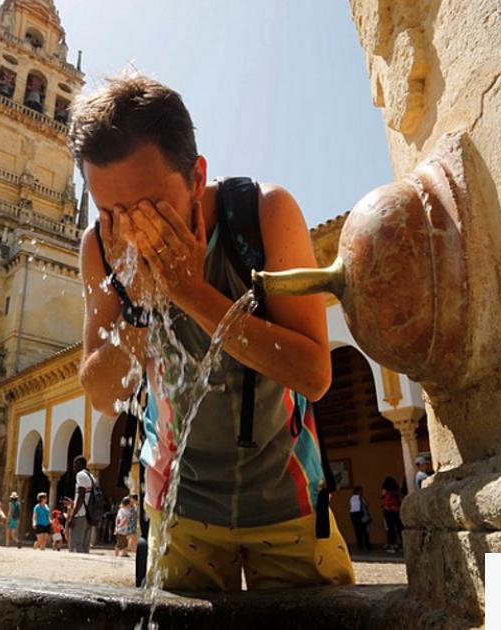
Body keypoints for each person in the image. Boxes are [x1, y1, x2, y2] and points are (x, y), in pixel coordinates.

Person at [74, 73, 354, 591]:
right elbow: (101, 393)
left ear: (196, 177)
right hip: (179, 513)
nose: (133, 227)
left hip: (288, 505)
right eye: (111, 211)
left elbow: (313, 374)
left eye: (151, 206)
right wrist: (141, 306)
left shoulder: (264, 214)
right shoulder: (101, 249)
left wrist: (191, 293)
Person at [67, 455, 96, 554]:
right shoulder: (91, 476)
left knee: (76, 542)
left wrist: (73, 515)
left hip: (81, 513)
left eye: (75, 464)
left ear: (79, 464)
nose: (73, 467)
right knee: (85, 544)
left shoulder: (80, 475)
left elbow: (81, 495)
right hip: (89, 514)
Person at [380, 477, 403, 553]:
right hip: (396, 510)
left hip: (388, 510)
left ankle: (392, 545)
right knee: (399, 527)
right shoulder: (396, 490)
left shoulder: (385, 490)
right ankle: (402, 544)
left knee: (390, 528)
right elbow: (400, 498)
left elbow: (382, 498)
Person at [348, 487, 371, 552]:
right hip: (361, 515)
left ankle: (360, 545)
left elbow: (351, 507)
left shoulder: (352, 498)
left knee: (357, 532)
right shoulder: (360, 498)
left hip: (353, 516)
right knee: (365, 531)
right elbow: (366, 505)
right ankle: (367, 545)